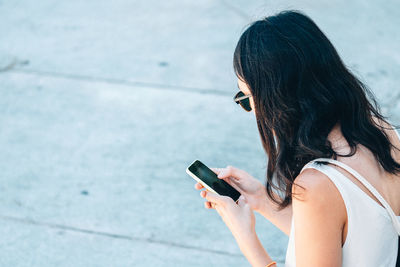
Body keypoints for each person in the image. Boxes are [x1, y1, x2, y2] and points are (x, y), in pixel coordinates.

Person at [195, 10, 400, 267]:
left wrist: (245, 237)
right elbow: (352, 242)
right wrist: (263, 201)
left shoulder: (316, 186)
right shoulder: (380, 132)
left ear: (277, 100)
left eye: (247, 99)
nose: (253, 111)